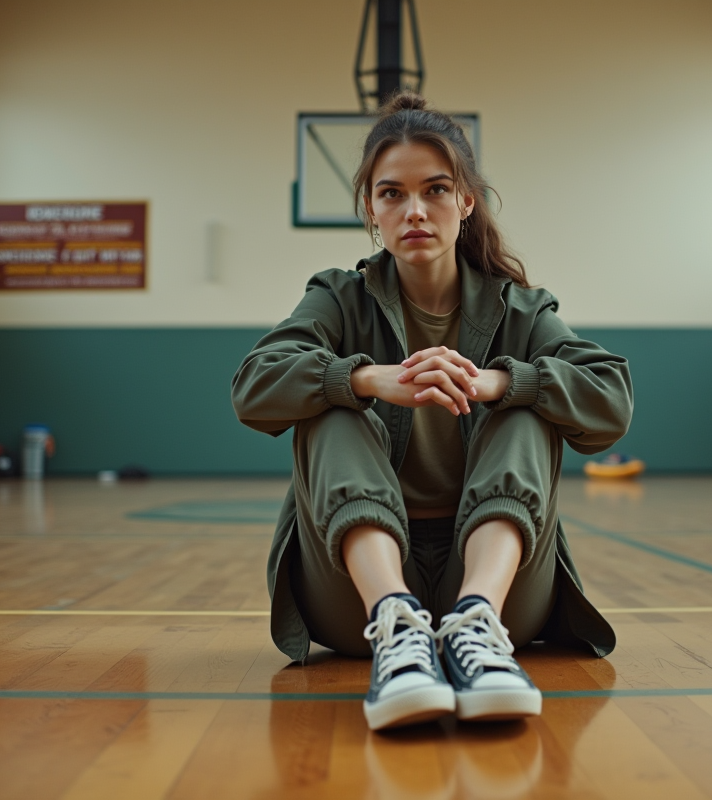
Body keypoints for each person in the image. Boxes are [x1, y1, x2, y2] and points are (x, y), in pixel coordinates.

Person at [231, 93, 633, 731]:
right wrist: (363, 378)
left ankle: (476, 631)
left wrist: (502, 382)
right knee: (332, 405)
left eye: (436, 190)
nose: (414, 210)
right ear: (371, 208)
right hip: (353, 598)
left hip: (502, 596)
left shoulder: (520, 310)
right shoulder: (338, 297)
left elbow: (610, 399)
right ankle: (399, 632)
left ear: (466, 202)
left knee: (527, 404)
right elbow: (255, 386)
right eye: (392, 193)